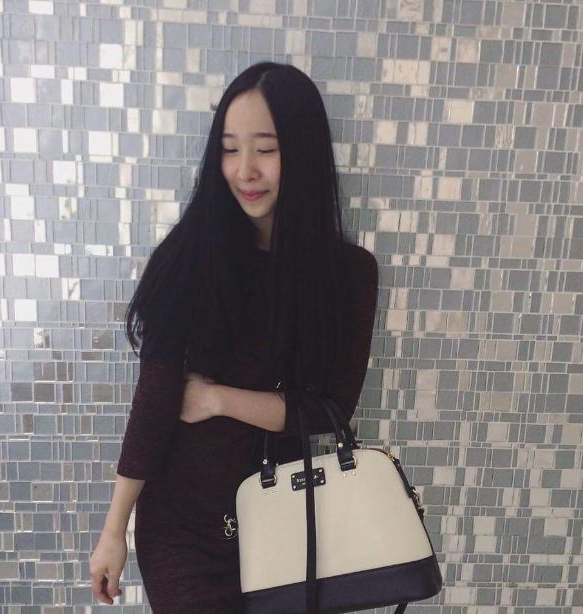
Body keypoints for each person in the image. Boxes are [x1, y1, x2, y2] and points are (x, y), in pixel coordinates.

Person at [89, 61, 379, 613]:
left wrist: (218, 399)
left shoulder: (348, 275)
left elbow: (330, 410)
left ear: (303, 152)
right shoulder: (189, 257)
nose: (245, 169)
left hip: (286, 525)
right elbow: (154, 401)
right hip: (183, 530)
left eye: (266, 149)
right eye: (229, 149)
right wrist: (113, 531)